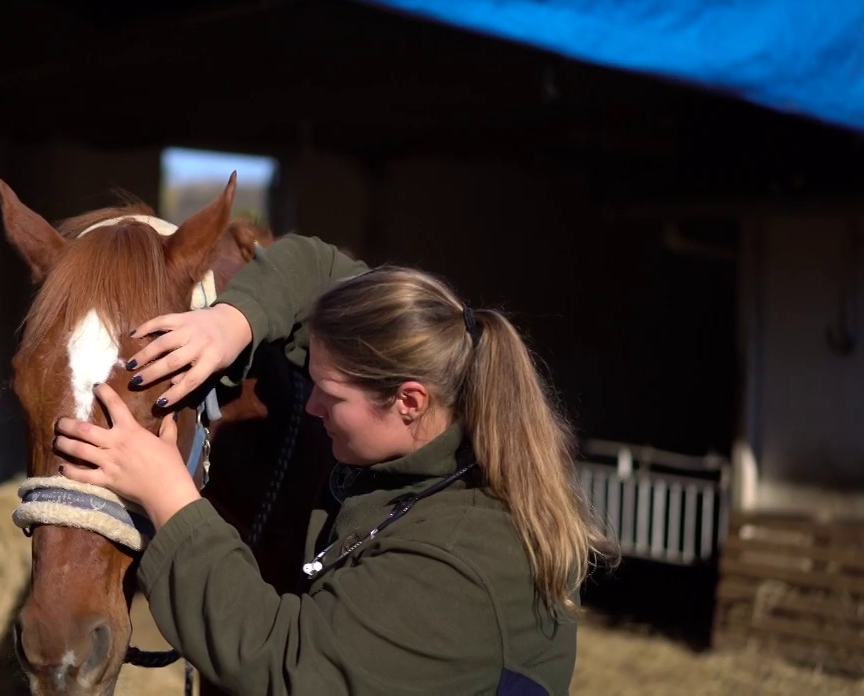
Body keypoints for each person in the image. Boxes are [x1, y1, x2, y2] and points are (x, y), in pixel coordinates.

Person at [53, 234, 616, 695]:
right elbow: (318, 270)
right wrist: (233, 322)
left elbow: (289, 665)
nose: (313, 405)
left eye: (328, 393)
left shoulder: (455, 563)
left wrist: (170, 500)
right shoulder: (445, 436)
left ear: (409, 401)